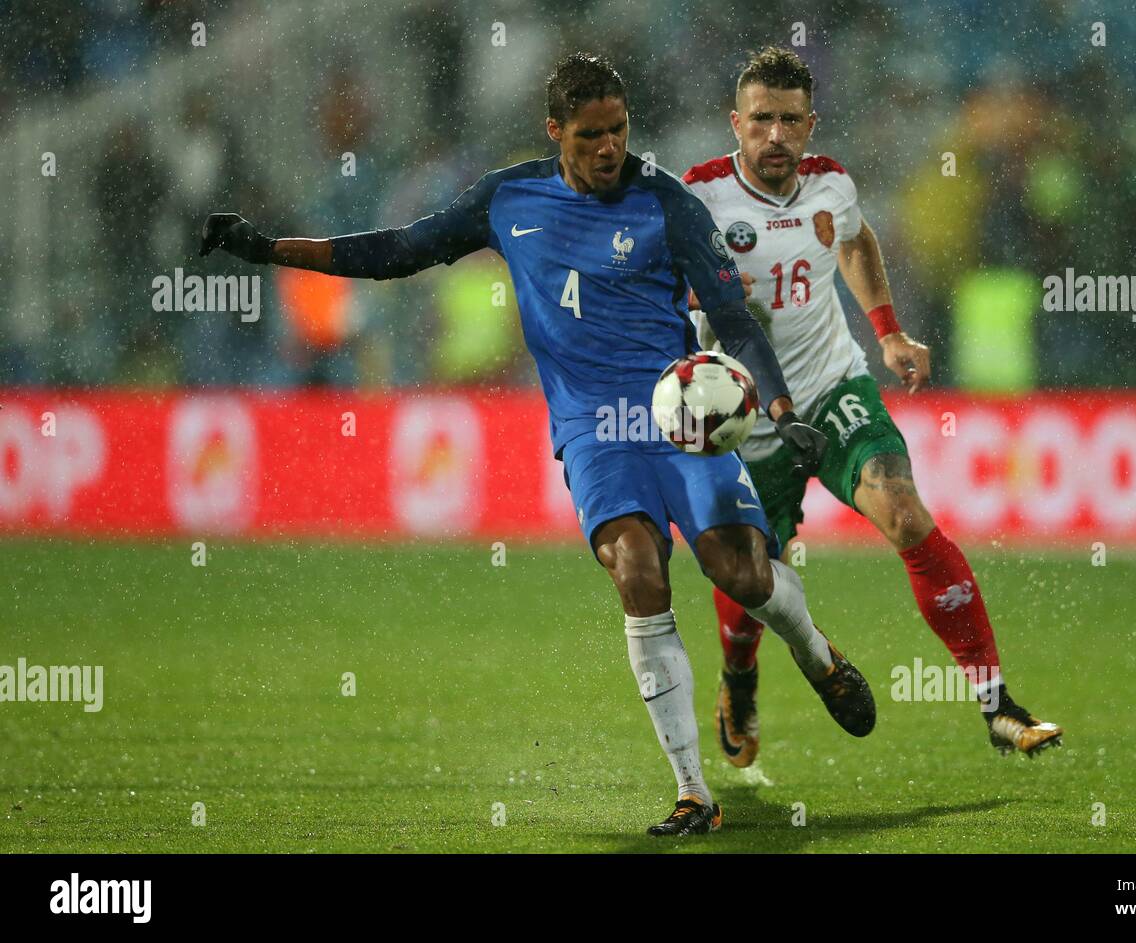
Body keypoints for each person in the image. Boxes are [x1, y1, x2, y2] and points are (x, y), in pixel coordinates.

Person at [199, 53, 875, 836]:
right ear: (555, 131)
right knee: (637, 570)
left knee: (744, 572)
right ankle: (693, 791)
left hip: (681, 416)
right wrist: (269, 248)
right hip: (593, 431)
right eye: (590, 134)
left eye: (619, 130)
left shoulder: (668, 202)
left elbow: (731, 316)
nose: (609, 147)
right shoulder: (508, 198)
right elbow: (397, 250)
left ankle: (818, 654)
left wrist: (782, 405)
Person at [684, 47, 1061, 768]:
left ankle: (996, 702)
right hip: (743, 422)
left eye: (790, 121)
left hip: (831, 391)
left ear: (810, 123)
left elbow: (856, 241)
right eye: (760, 119)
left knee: (903, 508)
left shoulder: (832, 185)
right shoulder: (698, 196)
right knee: (755, 580)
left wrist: (887, 332)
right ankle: (738, 677)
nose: (775, 136)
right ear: (736, 122)